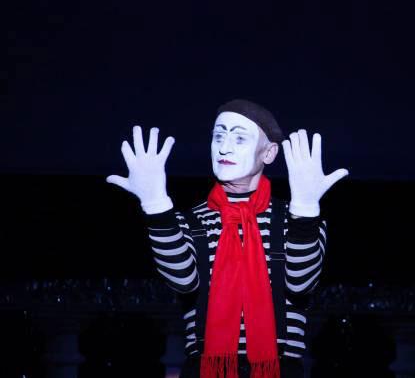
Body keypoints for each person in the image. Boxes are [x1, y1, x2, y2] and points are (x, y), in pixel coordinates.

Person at [107, 99, 348, 378]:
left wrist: (305, 210)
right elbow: (183, 282)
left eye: (239, 138)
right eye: (218, 136)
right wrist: (156, 204)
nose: (224, 148)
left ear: (269, 153)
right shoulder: (190, 220)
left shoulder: (295, 219)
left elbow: (300, 284)